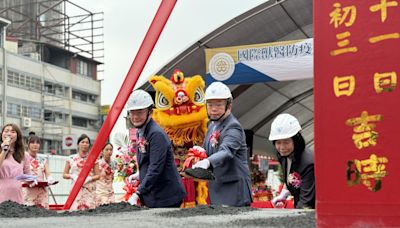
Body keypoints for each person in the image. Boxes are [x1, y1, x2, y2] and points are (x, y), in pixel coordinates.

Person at [192, 82, 252, 207]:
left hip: (234, 188)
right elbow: (209, 149)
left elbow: (227, 151)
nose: (214, 109)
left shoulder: (233, 126)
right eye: (210, 105)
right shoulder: (212, 125)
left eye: (219, 105)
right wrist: (200, 151)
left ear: (229, 105)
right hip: (217, 186)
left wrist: (207, 162)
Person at [126, 89, 186, 208]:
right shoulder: (140, 131)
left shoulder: (156, 134)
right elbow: (148, 162)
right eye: (132, 113)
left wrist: (137, 193)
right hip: (154, 194)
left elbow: (155, 168)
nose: (135, 117)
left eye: (139, 112)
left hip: (166, 196)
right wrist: (139, 174)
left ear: (150, 111)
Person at [268, 113, 315, 209]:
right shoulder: (283, 156)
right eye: (278, 142)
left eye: (286, 142)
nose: (282, 147)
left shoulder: (308, 163)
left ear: (296, 140)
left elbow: (306, 201)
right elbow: (291, 176)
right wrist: (284, 193)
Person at [63, 134, 100, 210]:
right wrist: (72, 176)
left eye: (87, 142)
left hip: (89, 189)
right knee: (75, 211)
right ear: (78, 144)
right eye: (82, 142)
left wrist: (90, 178)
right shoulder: (71, 158)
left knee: (90, 211)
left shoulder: (93, 159)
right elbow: (64, 175)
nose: (85, 144)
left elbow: (98, 175)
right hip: (76, 190)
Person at [0, 123, 30, 204]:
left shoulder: (24, 155)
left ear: (18, 136)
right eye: (6, 131)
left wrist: (33, 179)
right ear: (2, 134)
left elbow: (27, 174)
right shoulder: (2, 151)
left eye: (13, 131)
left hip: (17, 195)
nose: (9, 133)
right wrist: (4, 150)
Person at [23, 135, 55, 208]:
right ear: (27, 144)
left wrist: (50, 178)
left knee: (43, 214)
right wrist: (29, 179)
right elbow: (19, 174)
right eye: (32, 142)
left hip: (41, 191)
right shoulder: (22, 158)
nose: (35, 144)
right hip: (28, 190)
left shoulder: (43, 159)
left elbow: (48, 173)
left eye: (37, 143)